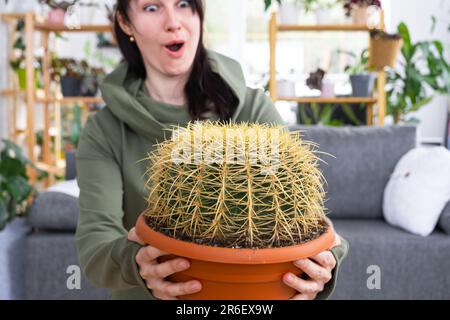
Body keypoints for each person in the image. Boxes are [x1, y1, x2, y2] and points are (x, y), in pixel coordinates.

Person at [75, 0, 349, 300]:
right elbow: (95, 249)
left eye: (183, 4)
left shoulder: (252, 109)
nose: (173, 22)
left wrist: (325, 265)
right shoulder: (105, 130)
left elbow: (306, 221)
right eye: (152, 8)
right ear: (126, 22)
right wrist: (133, 262)